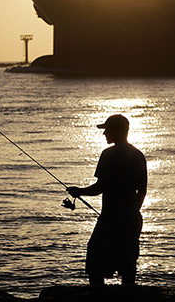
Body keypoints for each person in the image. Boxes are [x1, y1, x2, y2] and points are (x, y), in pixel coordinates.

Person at [67, 114, 147, 286]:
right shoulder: (138, 155)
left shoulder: (109, 154)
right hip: (132, 218)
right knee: (127, 264)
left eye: (107, 130)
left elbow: (100, 187)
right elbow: (143, 190)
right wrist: (132, 210)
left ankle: (98, 298)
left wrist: (78, 191)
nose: (104, 134)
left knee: (95, 259)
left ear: (118, 131)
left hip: (111, 219)